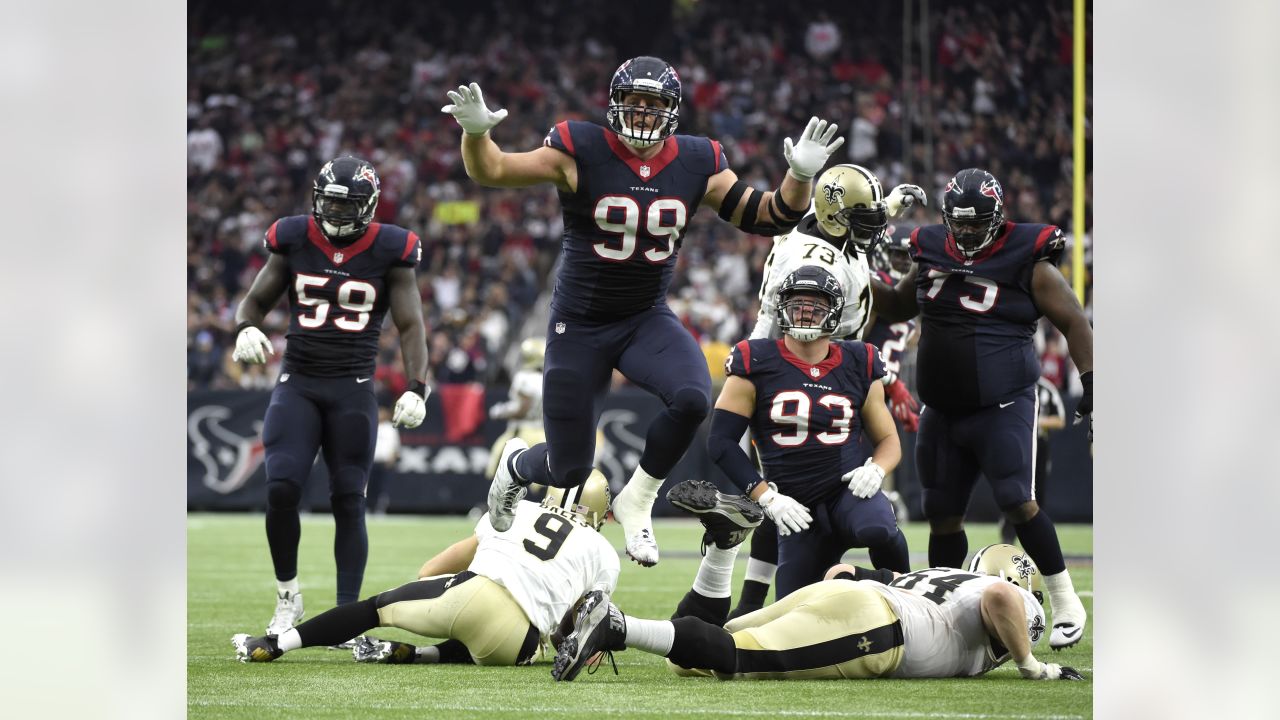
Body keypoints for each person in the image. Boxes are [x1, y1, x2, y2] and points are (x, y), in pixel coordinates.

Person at [441, 56, 846, 567]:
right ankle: (516, 468)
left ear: (673, 110)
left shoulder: (699, 160)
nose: (643, 114)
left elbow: (769, 215)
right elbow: (493, 169)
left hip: (643, 318)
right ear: (615, 104)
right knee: (568, 470)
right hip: (579, 325)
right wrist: (476, 135)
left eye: (654, 105)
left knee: (694, 396)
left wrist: (799, 176)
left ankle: (639, 497)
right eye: (634, 103)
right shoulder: (579, 147)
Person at [868, 167, 1093, 649]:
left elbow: (1074, 320)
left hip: (1003, 404)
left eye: (977, 222)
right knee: (942, 512)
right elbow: (897, 306)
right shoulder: (928, 248)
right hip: (942, 408)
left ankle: (1066, 600)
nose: (967, 231)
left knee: (1018, 500)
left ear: (998, 216)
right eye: (960, 222)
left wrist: (1093, 387)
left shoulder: (1027, 256)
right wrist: (857, 274)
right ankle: (946, 611)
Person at [231, 156, 430, 638]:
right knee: (280, 488)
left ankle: (346, 616)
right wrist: (245, 328)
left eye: (348, 206)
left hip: (353, 388)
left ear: (369, 206)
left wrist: (417, 386)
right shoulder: (295, 236)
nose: (336, 214)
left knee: (348, 500)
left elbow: (410, 324)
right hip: (297, 381)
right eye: (329, 204)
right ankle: (287, 597)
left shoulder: (391, 248)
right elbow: (255, 301)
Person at [732, 164, 923, 618]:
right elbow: (805, 325)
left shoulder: (833, 233)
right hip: (796, 365)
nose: (874, 229)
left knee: (827, 495)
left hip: (833, 362)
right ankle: (752, 598)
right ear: (838, 218)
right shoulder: (815, 260)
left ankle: (904, 591)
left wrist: (883, 207)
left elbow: (839, 229)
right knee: (782, 494)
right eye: (865, 219)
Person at [551, 541, 1083, 682]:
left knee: (686, 660)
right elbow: (1000, 599)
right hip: (883, 628)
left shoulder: (943, 576)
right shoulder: (1002, 591)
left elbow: (842, 573)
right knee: (734, 659)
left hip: (851, 600)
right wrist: (1032, 666)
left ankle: (718, 554)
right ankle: (615, 627)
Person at [232, 472, 617, 665]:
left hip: (475, 595)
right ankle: (420, 654)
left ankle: (274, 644)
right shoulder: (604, 553)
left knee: (373, 608)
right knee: (487, 635)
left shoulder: (518, 509)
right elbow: (580, 631)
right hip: (520, 644)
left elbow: (429, 569)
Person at [707, 264, 911, 607]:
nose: (805, 312)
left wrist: (876, 470)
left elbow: (889, 440)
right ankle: (853, 578)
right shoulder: (754, 359)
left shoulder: (860, 360)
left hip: (847, 491)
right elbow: (720, 442)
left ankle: (907, 596)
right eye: (797, 303)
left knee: (878, 528)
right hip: (794, 507)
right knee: (796, 608)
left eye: (815, 304)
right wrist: (767, 498)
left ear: (834, 313)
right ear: (781, 308)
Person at [999, 374, 1067, 544]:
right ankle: (1008, 536)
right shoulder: (1011, 386)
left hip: (1039, 445)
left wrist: (1037, 421)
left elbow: (1060, 420)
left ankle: (1036, 538)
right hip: (1016, 445)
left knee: (1037, 493)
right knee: (1013, 490)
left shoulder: (1047, 388)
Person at [486, 337, 547, 481]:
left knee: (498, 468)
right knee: (539, 476)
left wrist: (501, 412)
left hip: (521, 432)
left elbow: (522, 409)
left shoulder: (523, 377)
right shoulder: (547, 378)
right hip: (541, 433)